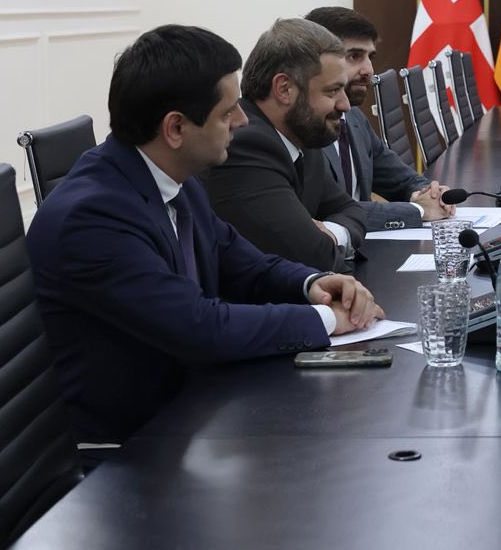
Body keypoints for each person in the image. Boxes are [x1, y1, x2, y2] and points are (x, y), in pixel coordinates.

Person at [25, 25, 384, 442]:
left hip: (190, 410)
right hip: (128, 444)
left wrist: (314, 284)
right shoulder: (94, 218)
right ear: (176, 128)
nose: (243, 120)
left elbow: (245, 264)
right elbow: (199, 327)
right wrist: (328, 319)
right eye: (227, 112)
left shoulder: (176, 179)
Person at [200, 18, 367, 273]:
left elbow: (350, 209)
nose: (345, 105)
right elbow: (314, 257)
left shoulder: (303, 138)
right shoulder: (245, 146)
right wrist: (327, 240)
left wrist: (333, 233)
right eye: (332, 91)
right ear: (284, 89)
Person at [304, 6, 456, 230]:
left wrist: (430, 194)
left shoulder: (353, 117)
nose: (369, 70)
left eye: (370, 57)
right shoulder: (305, 127)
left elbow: (399, 177)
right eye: (354, 56)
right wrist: (419, 210)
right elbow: (331, 210)